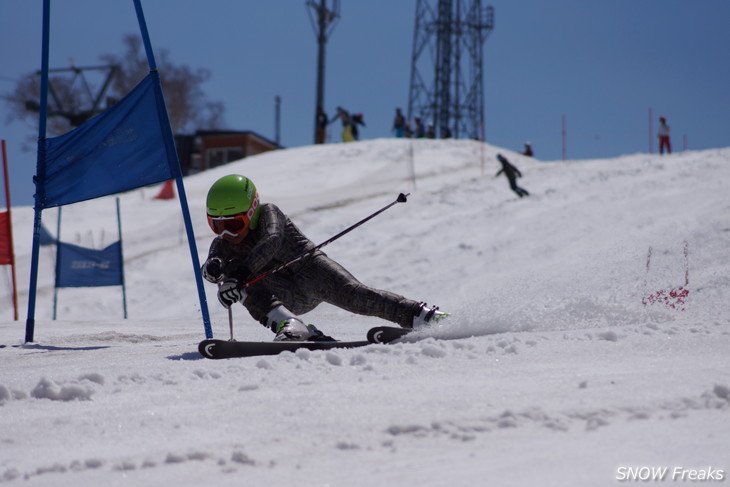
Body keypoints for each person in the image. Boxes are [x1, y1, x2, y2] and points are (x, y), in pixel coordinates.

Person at [201, 174, 448, 342]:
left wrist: (239, 275)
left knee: (356, 297)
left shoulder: (269, 213)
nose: (225, 233)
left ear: (252, 210)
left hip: (311, 271)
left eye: (234, 223)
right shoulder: (222, 244)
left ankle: (423, 316)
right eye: (216, 224)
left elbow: (272, 241)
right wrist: (217, 274)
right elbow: (212, 269)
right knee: (232, 274)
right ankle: (291, 326)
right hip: (283, 297)